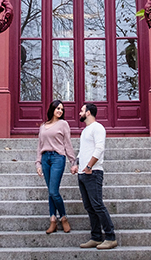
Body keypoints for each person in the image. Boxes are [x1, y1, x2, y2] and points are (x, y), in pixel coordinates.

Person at [72, 103, 118, 249]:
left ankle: (110, 237)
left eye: (82, 110)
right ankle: (96, 237)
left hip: (93, 172)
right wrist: (77, 164)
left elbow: (99, 148)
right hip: (83, 173)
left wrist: (89, 166)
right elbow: (82, 151)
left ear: (89, 112)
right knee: (89, 206)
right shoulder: (85, 131)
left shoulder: (98, 128)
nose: (79, 112)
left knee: (97, 205)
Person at [37, 100, 74, 234]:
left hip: (58, 158)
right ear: (52, 109)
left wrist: (72, 161)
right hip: (45, 158)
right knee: (51, 191)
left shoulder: (63, 124)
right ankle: (53, 220)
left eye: (62, 109)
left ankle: (63, 218)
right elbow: (40, 146)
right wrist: (38, 163)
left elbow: (67, 144)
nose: (60, 111)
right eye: (58, 108)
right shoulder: (43, 126)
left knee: (53, 191)